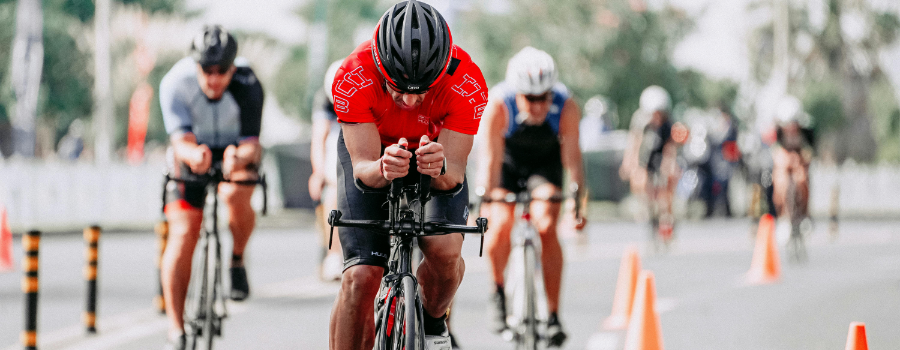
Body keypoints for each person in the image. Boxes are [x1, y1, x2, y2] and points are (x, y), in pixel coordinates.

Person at [327, 1, 487, 349]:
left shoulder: (467, 81)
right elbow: (365, 170)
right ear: (380, 68)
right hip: (376, 154)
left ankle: (433, 322)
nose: (411, 102)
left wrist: (440, 166)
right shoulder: (353, 75)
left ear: (443, 71)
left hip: (436, 153)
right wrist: (383, 167)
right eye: (398, 88)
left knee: (444, 252)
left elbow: (453, 175)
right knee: (360, 276)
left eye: (424, 90)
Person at [159, 25, 263, 350]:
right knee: (184, 232)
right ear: (196, 65)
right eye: (207, 70)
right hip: (192, 150)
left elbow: (253, 146)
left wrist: (237, 156)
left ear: (234, 67)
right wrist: (195, 155)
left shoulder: (248, 83)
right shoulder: (175, 84)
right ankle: (176, 330)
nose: (214, 79)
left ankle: (236, 259)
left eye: (222, 71)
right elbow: (180, 143)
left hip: (234, 151)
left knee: (237, 190)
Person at [476, 46, 586, 348]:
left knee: (547, 224)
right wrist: (484, 203)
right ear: (517, 93)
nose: (538, 106)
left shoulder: (566, 106)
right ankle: (497, 292)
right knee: (499, 223)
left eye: (544, 97)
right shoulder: (499, 104)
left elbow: (573, 160)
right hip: (508, 167)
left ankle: (552, 316)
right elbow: (490, 161)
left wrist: (576, 206)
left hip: (544, 168)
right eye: (530, 98)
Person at [619, 86, 680, 244]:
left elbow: (670, 147)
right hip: (646, 157)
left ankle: (667, 220)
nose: (656, 117)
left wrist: (669, 164)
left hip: (661, 156)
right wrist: (630, 164)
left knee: (666, 190)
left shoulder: (668, 123)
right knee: (645, 187)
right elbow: (634, 142)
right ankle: (650, 216)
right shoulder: (640, 121)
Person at [310, 60, 344, 282]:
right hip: (338, 139)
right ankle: (333, 253)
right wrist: (319, 173)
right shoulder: (324, 98)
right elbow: (319, 137)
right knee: (333, 189)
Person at [771, 95, 813, 221]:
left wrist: (801, 159)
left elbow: (809, 151)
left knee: (802, 179)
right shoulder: (778, 131)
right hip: (783, 159)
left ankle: (804, 213)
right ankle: (782, 214)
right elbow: (775, 150)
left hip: (798, 159)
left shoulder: (806, 131)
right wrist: (784, 160)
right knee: (781, 182)